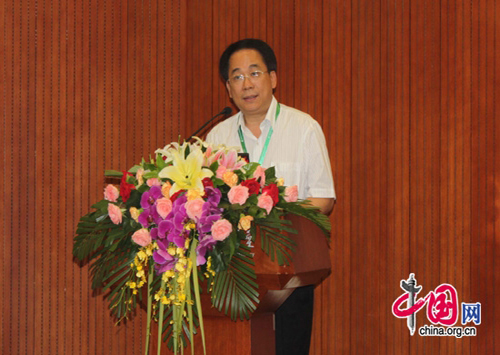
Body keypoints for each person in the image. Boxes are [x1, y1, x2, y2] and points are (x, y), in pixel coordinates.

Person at [206, 38, 336, 355]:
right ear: (228, 88)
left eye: (254, 73)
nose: (246, 84)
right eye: (236, 76)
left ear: (273, 78)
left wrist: (274, 214)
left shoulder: (304, 128)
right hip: (232, 274)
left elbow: (324, 198)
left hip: (290, 271)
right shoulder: (217, 137)